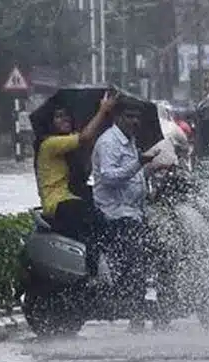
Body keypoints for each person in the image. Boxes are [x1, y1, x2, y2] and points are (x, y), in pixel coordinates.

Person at [91, 101, 165, 329]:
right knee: (136, 259)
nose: (135, 122)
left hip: (135, 212)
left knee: (164, 247)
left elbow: (135, 176)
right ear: (118, 117)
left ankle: (159, 307)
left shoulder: (130, 141)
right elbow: (109, 177)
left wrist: (150, 170)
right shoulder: (108, 143)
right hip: (115, 214)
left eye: (137, 117)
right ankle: (135, 313)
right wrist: (138, 164)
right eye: (129, 116)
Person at [35, 90, 117, 240]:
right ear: (50, 122)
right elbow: (85, 137)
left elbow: (84, 173)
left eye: (66, 115)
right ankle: (92, 262)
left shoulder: (68, 148)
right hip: (58, 202)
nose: (65, 119)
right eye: (59, 116)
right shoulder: (49, 144)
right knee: (96, 224)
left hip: (72, 196)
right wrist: (102, 111)